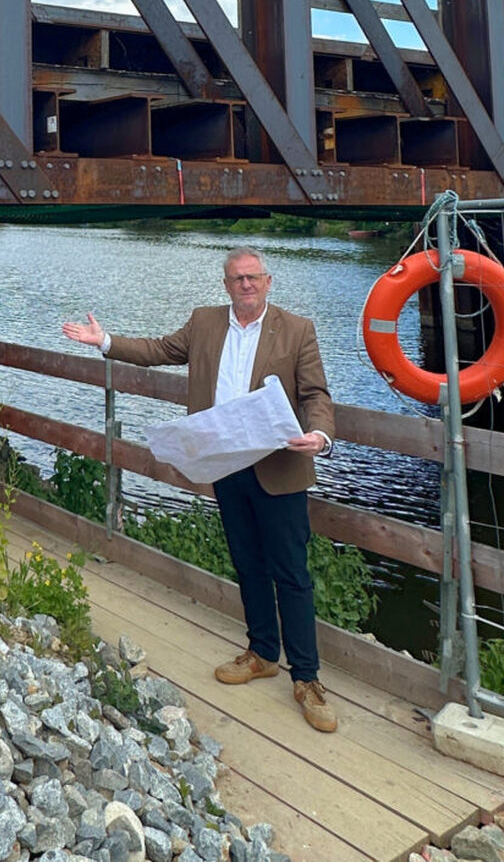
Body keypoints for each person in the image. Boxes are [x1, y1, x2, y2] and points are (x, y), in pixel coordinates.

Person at [62, 246, 337, 734]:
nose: (245, 285)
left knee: (291, 572)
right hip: (227, 463)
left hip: (278, 466)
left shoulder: (297, 330)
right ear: (226, 285)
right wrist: (105, 341)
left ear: (268, 282)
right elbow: (158, 351)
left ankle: (308, 678)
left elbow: (315, 394)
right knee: (247, 563)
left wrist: (320, 435)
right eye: (236, 279)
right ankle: (261, 652)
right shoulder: (206, 323)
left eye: (253, 277)